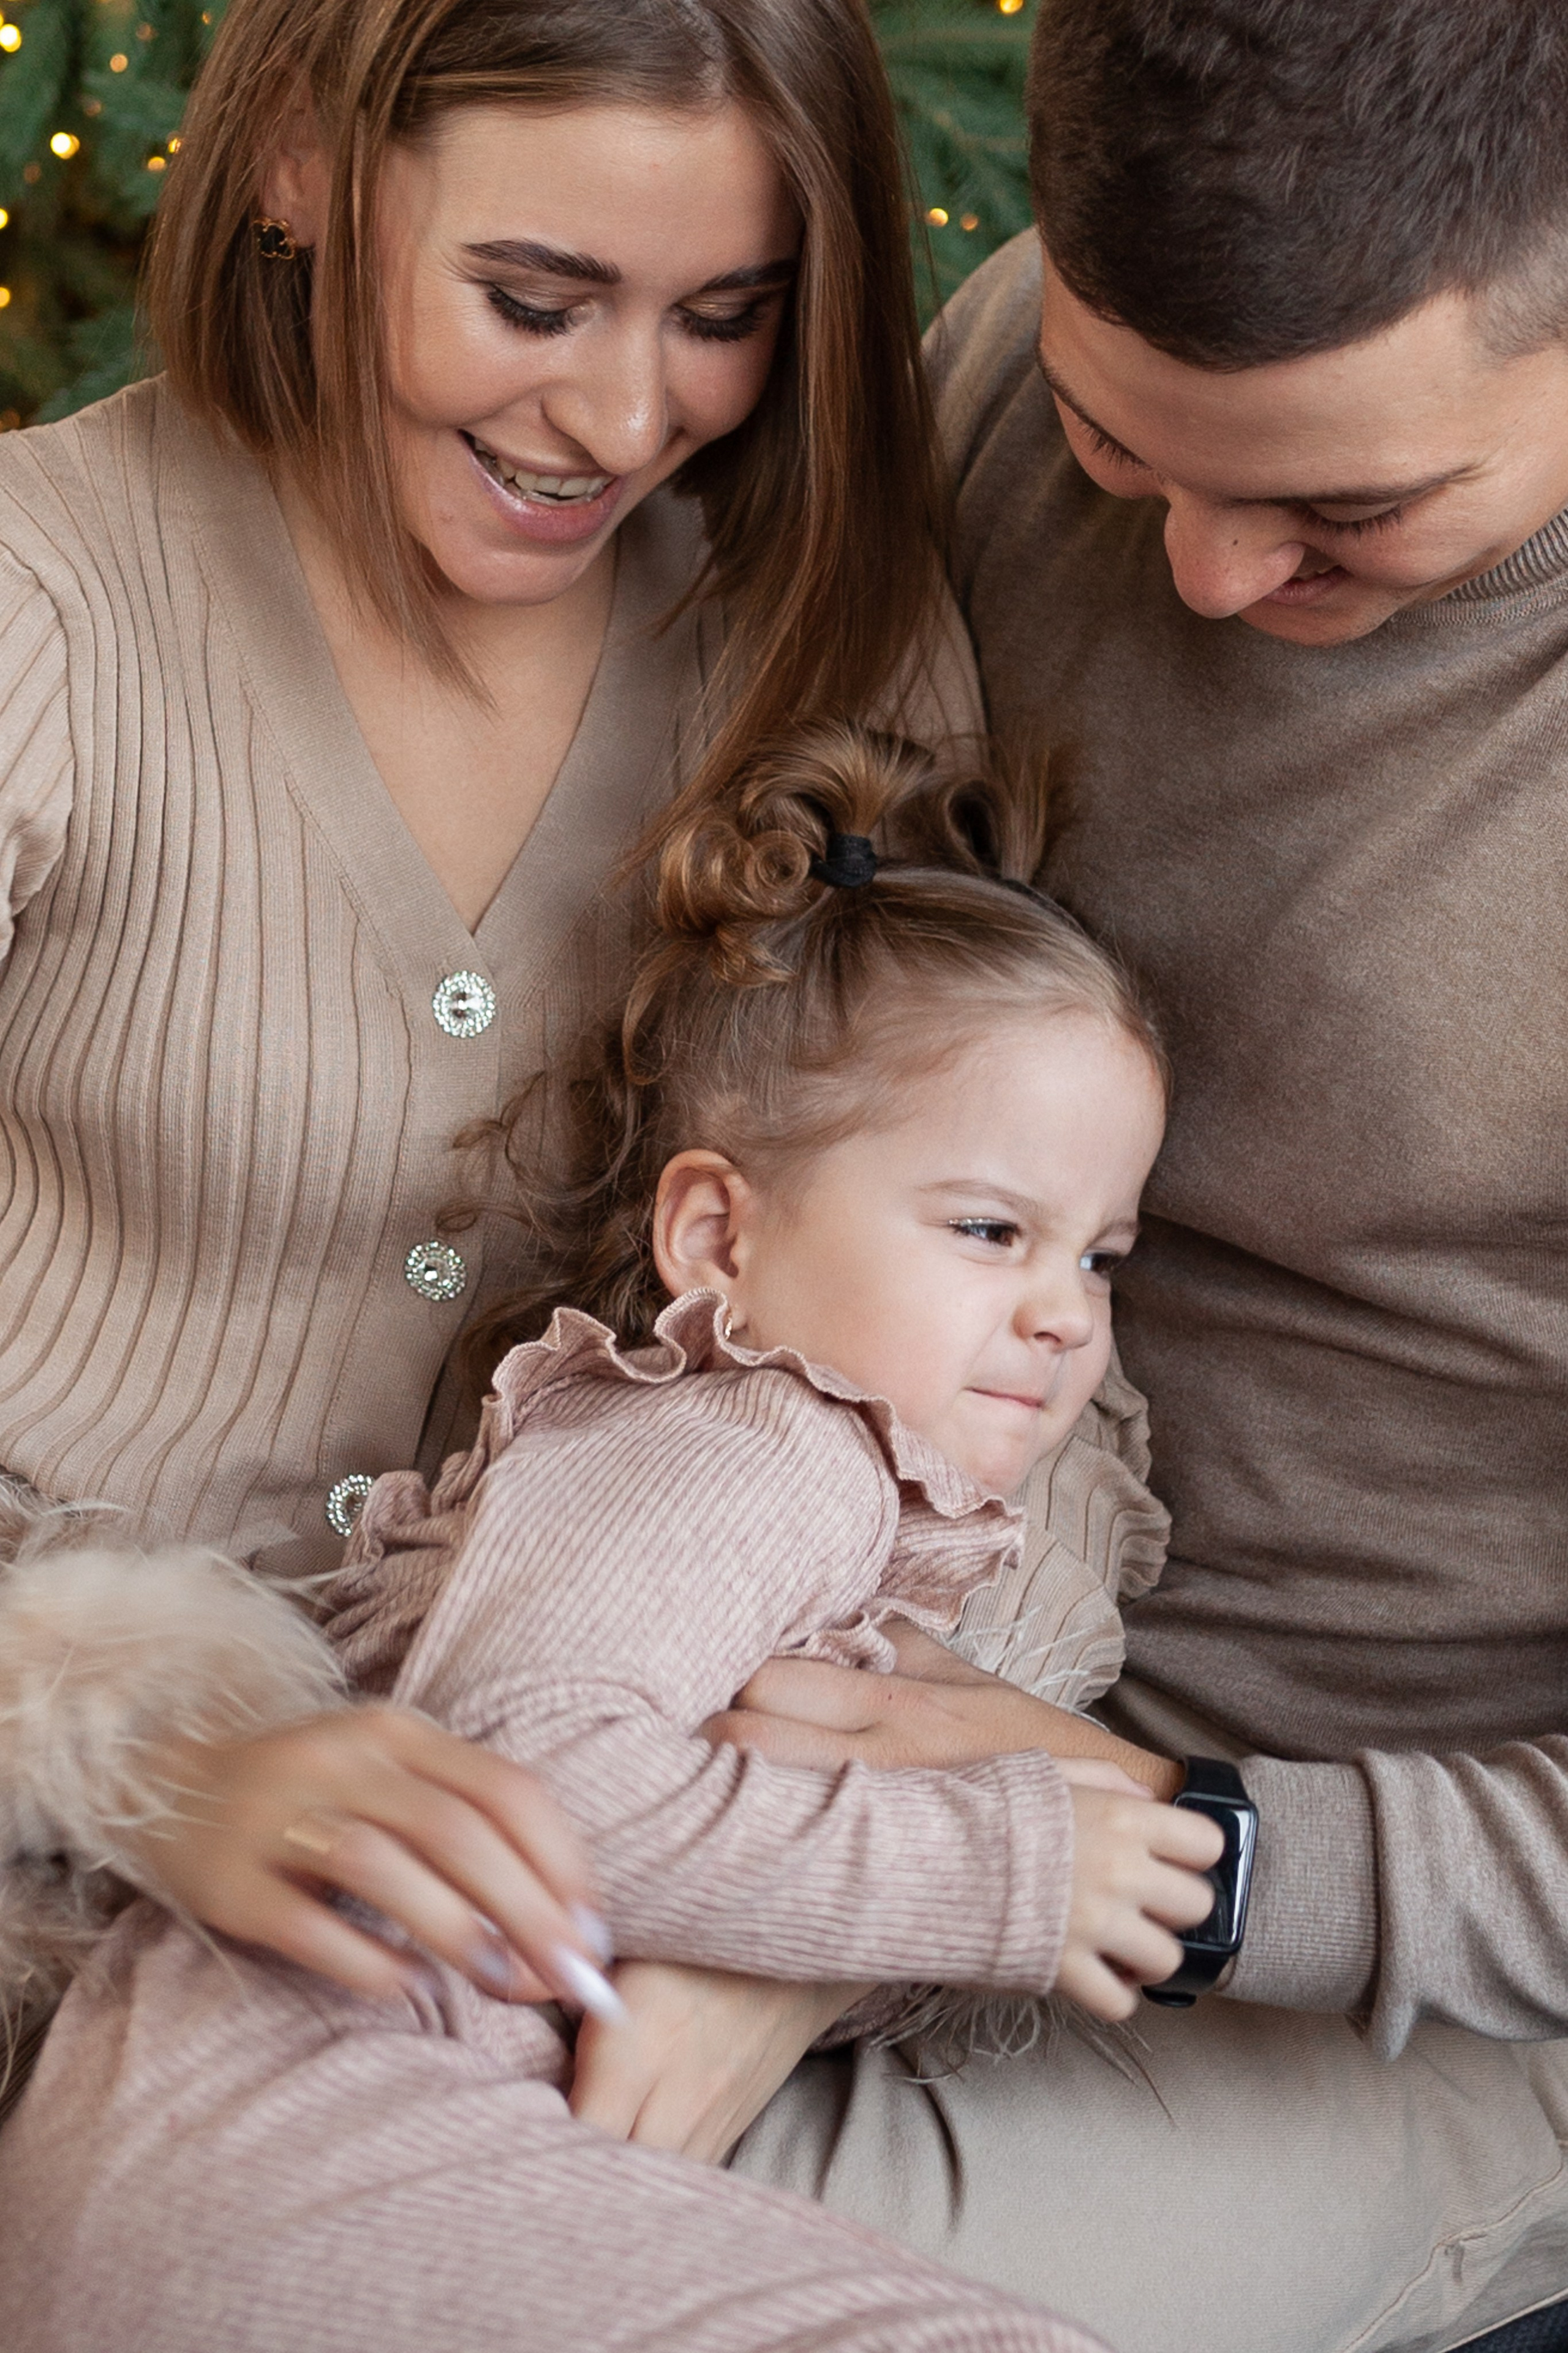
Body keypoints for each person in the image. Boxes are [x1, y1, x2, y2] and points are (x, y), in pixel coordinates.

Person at [705, 4, 1568, 2349]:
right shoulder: (1011, 361)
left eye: (1346, 513)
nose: (1193, 571)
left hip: (1356, 1920)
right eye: (1119, 447)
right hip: (831, 1647)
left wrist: (1169, 1850)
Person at [0, 724, 1224, 2351]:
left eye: (1102, 1255)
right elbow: (545, 1771)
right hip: (279, 2143)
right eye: (992, 1230)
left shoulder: (850, 1486)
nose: (1065, 1315)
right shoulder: (754, 1442)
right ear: (718, 1234)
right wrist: (1003, 1865)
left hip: (302, 2159)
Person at [0, 0, 981, 2030]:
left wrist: (809, 1913)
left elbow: (1026, 1335)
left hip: (573, 1840)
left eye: (725, 314)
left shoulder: (825, 653)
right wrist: (140, 1749)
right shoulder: (46, 609)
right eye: (536, 299)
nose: (627, 421)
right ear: (299, 167)